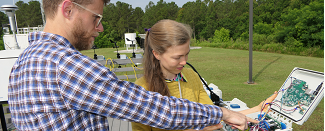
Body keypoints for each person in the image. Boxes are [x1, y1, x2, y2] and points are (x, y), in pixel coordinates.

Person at [8, 0, 252, 130]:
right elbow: (156, 109)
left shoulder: (24, 62)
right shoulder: (66, 66)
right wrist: (222, 112)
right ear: (68, 8)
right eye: (96, 17)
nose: (100, 27)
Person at [131, 19, 278, 131]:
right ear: (156, 54)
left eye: (187, 54)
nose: (184, 62)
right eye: (177, 57)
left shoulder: (191, 76)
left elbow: (215, 114)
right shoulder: (142, 89)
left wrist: (257, 109)